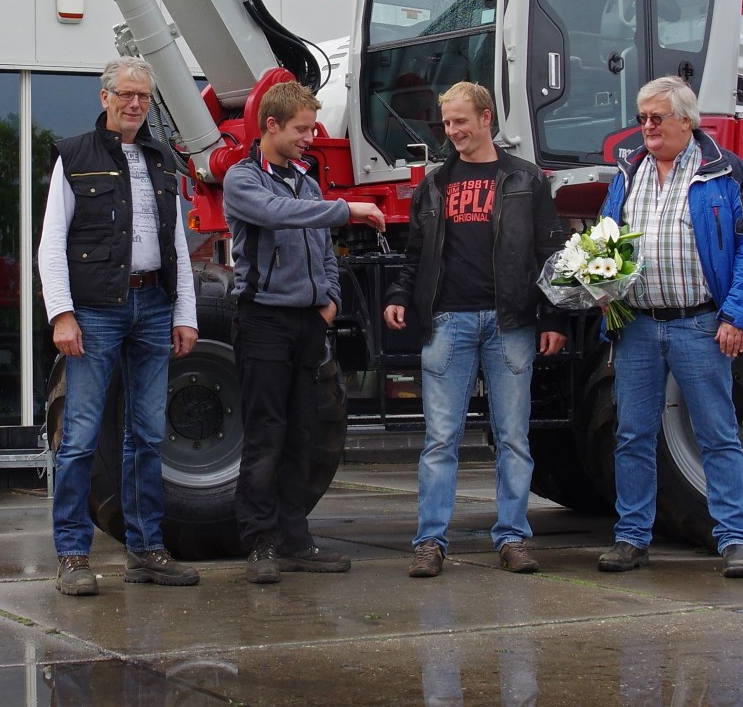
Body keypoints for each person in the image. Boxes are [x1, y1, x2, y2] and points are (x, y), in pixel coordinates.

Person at [382, 82, 567, 578]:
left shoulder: (526, 180)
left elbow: (551, 256)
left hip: (512, 323)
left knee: (512, 437)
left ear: (487, 118)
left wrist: (553, 318)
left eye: (461, 121)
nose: (453, 131)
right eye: (447, 123)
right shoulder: (434, 185)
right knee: (440, 438)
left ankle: (512, 539)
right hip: (447, 321)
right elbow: (415, 255)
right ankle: (429, 542)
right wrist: (400, 296)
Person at [596, 76, 743, 579]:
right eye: (641, 119)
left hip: (700, 323)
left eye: (656, 118)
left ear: (686, 120)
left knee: (716, 434)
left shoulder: (725, 172)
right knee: (632, 435)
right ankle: (631, 539)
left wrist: (738, 316)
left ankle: (736, 540)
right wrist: (598, 287)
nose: (646, 128)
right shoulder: (629, 171)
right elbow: (606, 237)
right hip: (636, 327)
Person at [38, 56, 200, 596]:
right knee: (80, 438)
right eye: (126, 94)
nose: (135, 103)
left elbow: (176, 241)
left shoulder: (161, 159)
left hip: (153, 305)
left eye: (143, 97)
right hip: (95, 314)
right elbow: (50, 246)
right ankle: (72, 555)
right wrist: (61, 314)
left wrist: (185, 314)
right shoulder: (74, 155)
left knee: (148, 437)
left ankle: (146, 550)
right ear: (104, 96)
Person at [223, 80, 388, 584]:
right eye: (301, 129)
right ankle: (260, 544)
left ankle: (296, 540)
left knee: (303, 434)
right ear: (270, 126)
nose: (309, 138)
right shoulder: (242, 179)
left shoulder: (308, 183)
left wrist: (330, 299)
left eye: (311, 127)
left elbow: (322, 248)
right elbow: (280, 216)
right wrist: (350, 208)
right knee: (265, 435)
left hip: (308, 321)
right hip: (264, 321)